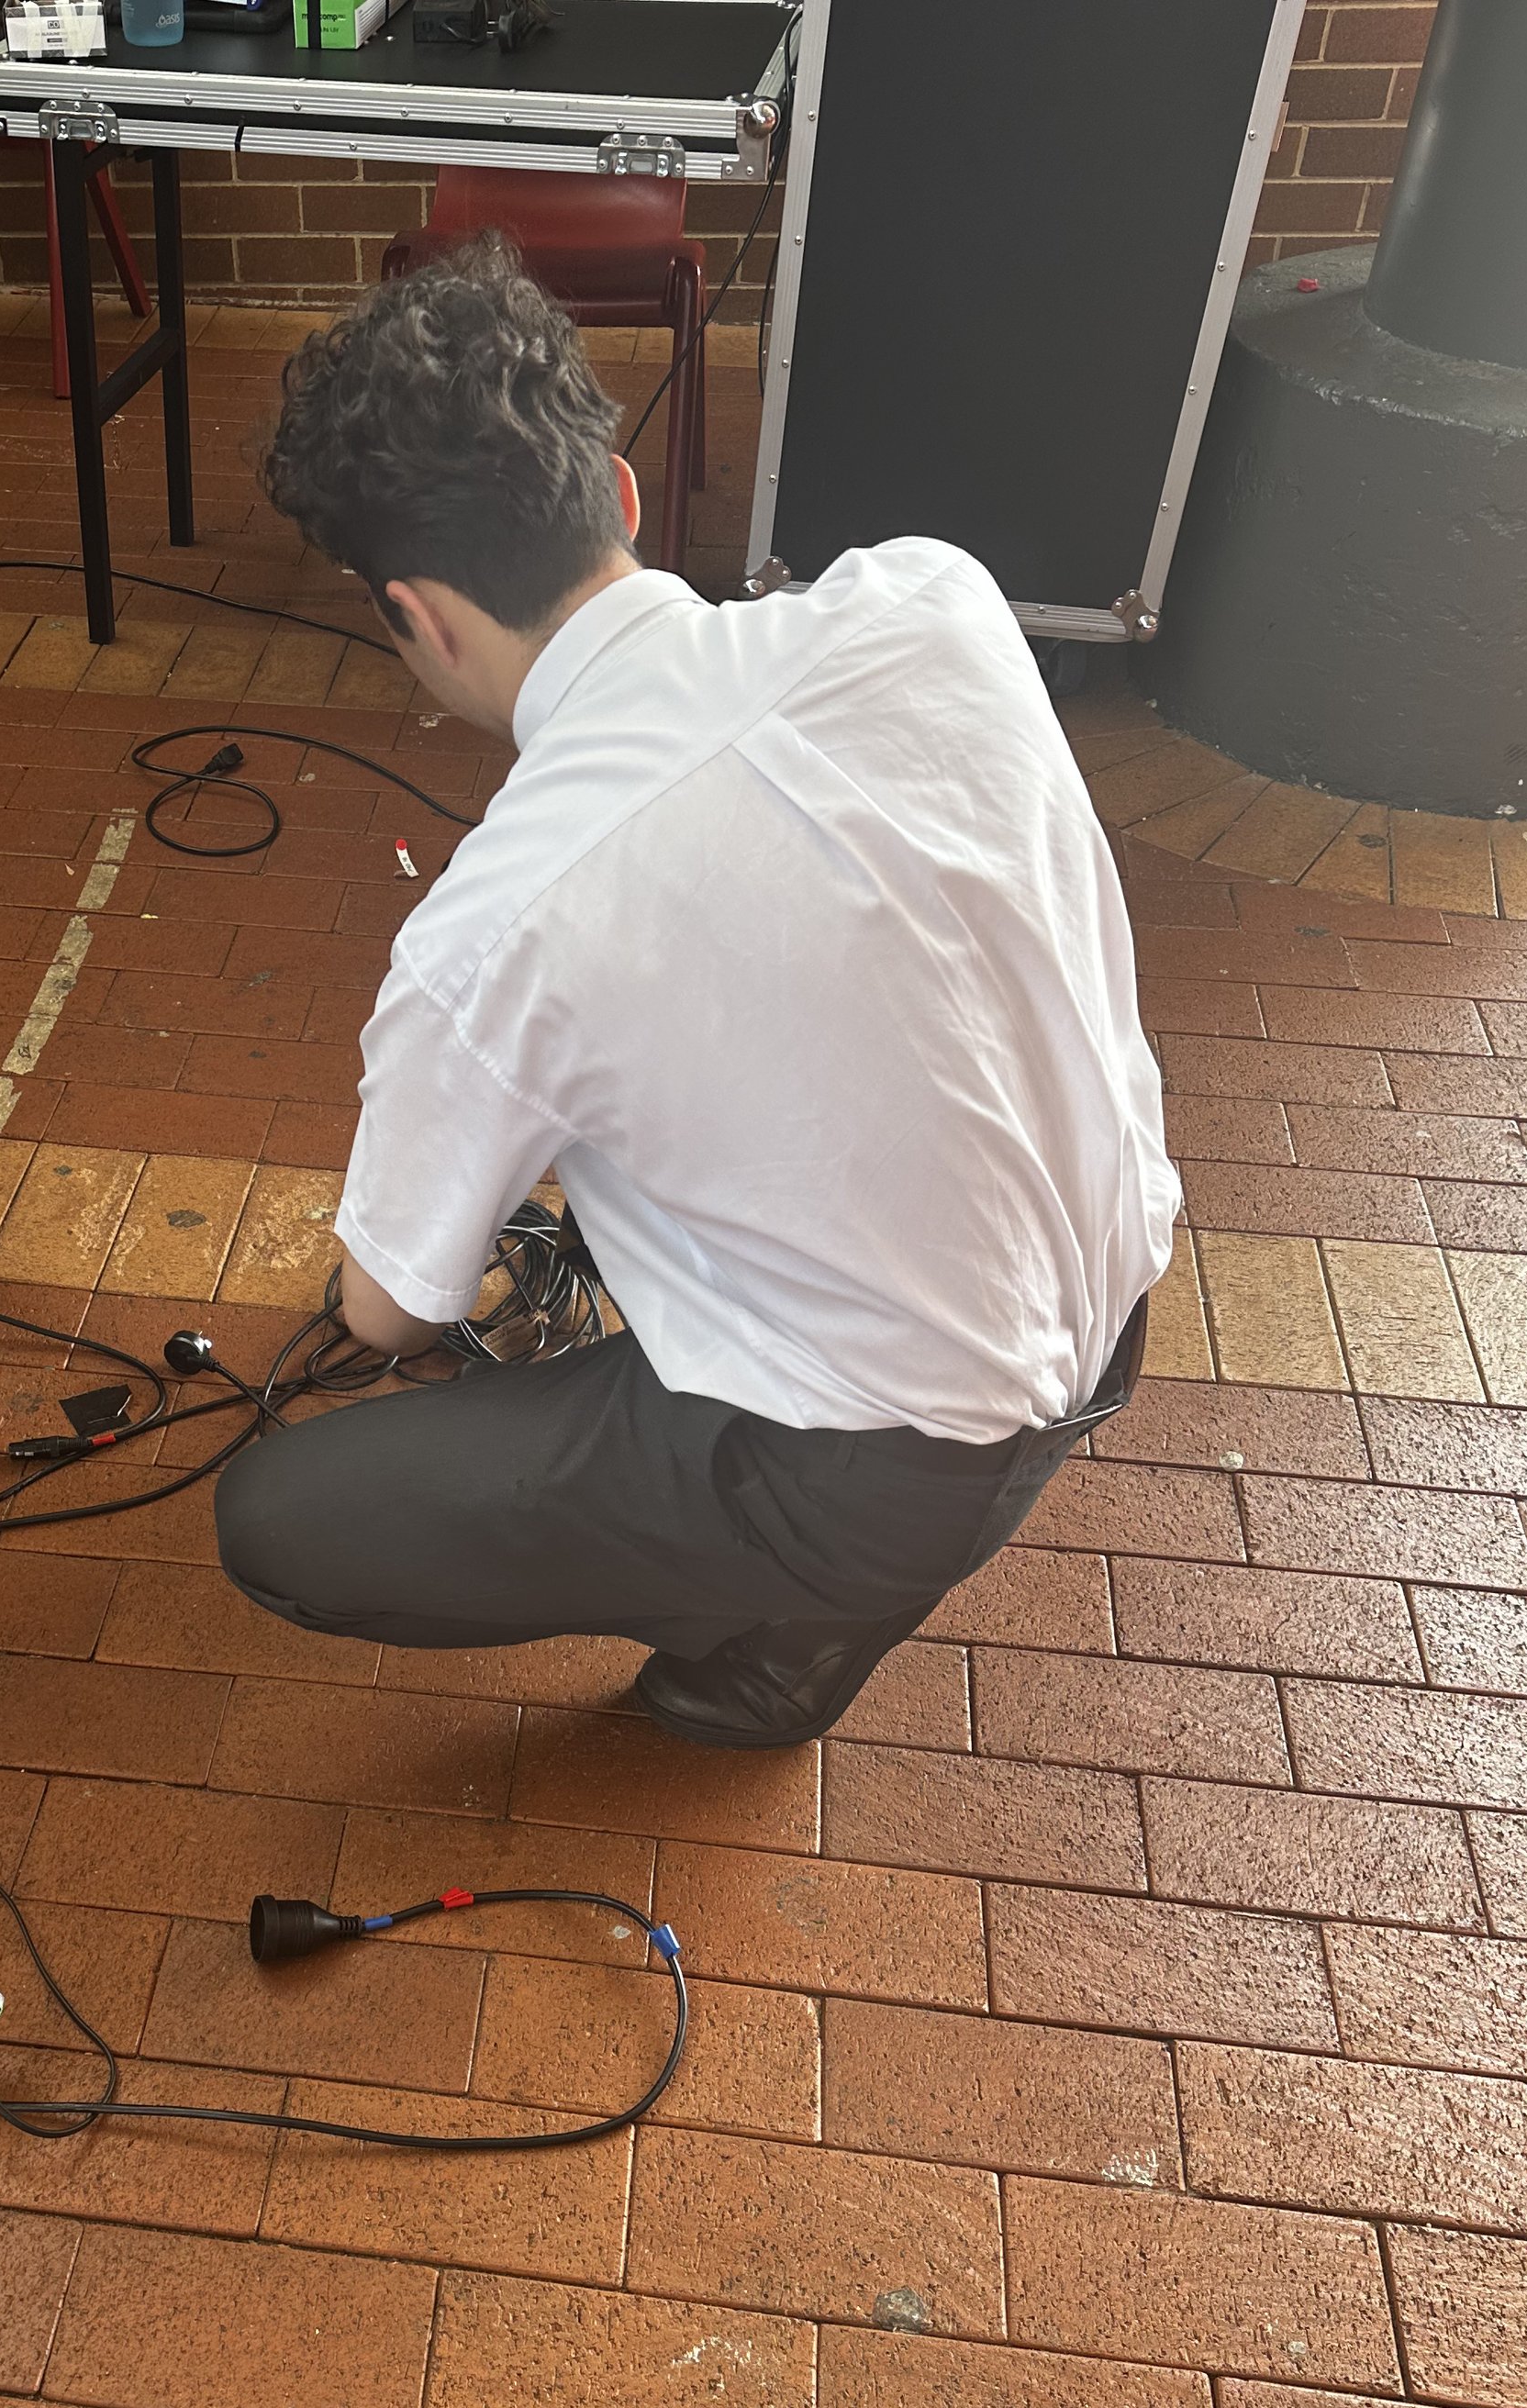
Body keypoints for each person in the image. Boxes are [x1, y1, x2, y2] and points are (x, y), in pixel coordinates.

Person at [215, 240, 1177, 1749]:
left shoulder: (495, 927)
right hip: (1111, 1318)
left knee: (280, 1516)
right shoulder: (935, 599)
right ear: (622, 497)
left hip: (887, 1472)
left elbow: (391, 1311)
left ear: (420, 617)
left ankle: (779, 1627)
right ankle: (809, 1554)